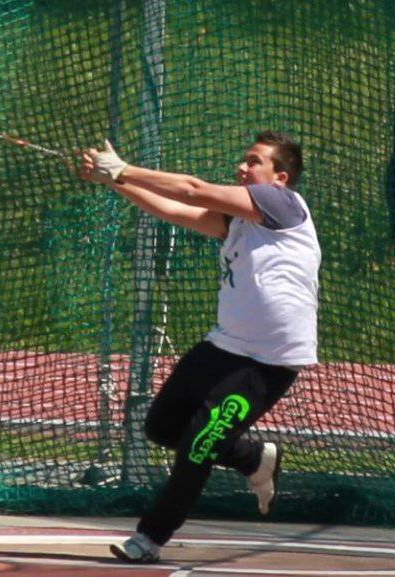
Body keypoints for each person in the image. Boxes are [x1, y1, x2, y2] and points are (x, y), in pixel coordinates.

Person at [78, 131, 321, 563]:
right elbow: (175, 208)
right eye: (242, 161)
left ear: (279, 177)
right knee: (161, 429)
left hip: (267, 363)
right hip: (222, 348)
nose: (242, 168)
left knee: (198, 444)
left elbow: (192, 188)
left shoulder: (284, 205)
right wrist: (114, 181)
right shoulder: (238, 222)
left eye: (254, 162)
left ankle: (149, 538)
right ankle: (251, 457)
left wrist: (124, 168)